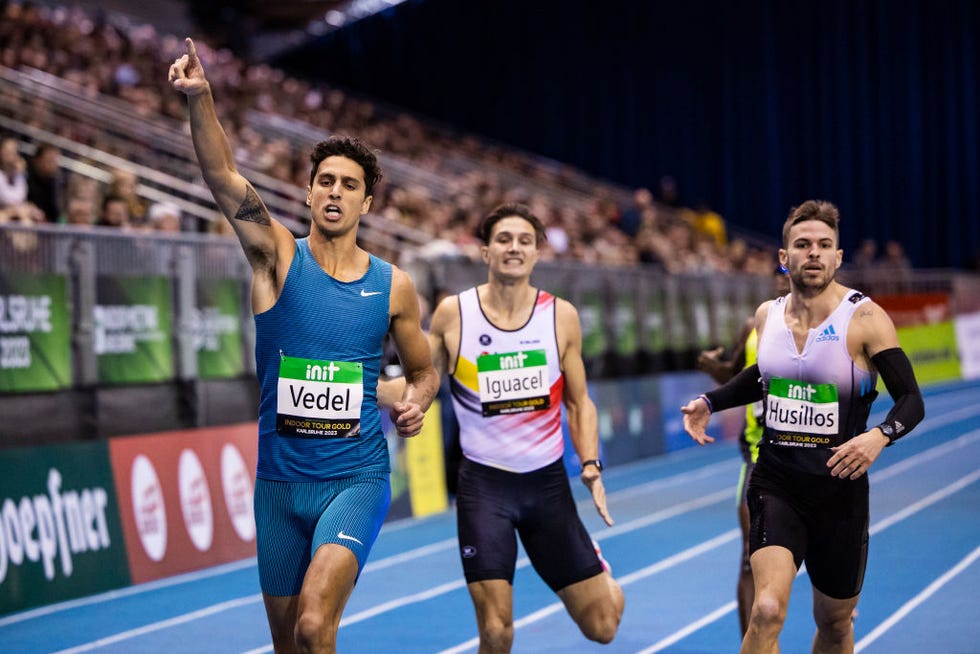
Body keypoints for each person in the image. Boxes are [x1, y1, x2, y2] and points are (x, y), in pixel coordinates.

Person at [169, 38, 439, 654]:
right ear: (310, 193)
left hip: (358, 477)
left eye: (349, 184)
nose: (335, 192)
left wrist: (418, 400)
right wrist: (202, 99)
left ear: (367, 202)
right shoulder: (277, 257)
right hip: (279, 485)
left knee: (317, 624)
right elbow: (222, 177)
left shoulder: (394, 285)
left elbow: (423, 371)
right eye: (325, 181)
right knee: (291, 643)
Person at [681, 200, 924, 653]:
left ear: (837, 257)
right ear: (783, 257)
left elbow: (911, 400)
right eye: (803, 244)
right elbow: (762, 375)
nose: (813, 253)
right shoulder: (766, 316)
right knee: (767, 610)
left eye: (824, 245)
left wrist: (879, 435)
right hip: (777, 483)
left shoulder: (865, 319)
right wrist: (710, 401)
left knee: (834, 623)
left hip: (839, 492)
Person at [426, 203, 624, 651]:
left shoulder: (560, 316)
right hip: (484, 488)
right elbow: (421, 384)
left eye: (524, 241)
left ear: (537, 254)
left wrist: (590, 464)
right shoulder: (453, 314)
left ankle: (595, 565)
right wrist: (362, 386)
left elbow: (578, 401)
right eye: (503, 239)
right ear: (485, 252)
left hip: (547, 488)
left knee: (603, 626)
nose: (513, 247)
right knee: (496, 632)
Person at [696, 264, 790, 636]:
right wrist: (709, 366)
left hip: (815, 459)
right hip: (758, 456)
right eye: (781, 275)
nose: (787, 281)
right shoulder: (755, 327)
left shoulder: (833, 328)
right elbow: (734, 379)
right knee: (752, 562)